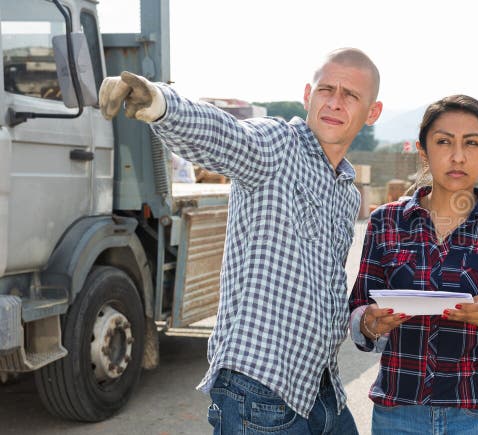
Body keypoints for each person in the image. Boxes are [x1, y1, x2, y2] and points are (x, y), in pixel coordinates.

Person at [99, 47, 383, 434]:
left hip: (319, 386)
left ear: (372, 112)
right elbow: (226, 137)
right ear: (307, 95)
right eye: (326, 89)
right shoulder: (277, 147)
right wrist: (159, 103)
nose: (334, 102)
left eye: (350, 95)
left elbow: (329, 284)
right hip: (261, 391)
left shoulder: (346, 191)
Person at [348, 95, 478, 434]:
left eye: (472, 143)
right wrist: (370, 322)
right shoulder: (387, 221)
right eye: (443, 142)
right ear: (423, 151)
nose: (457, 156)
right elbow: (359, 312)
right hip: (399, 413)